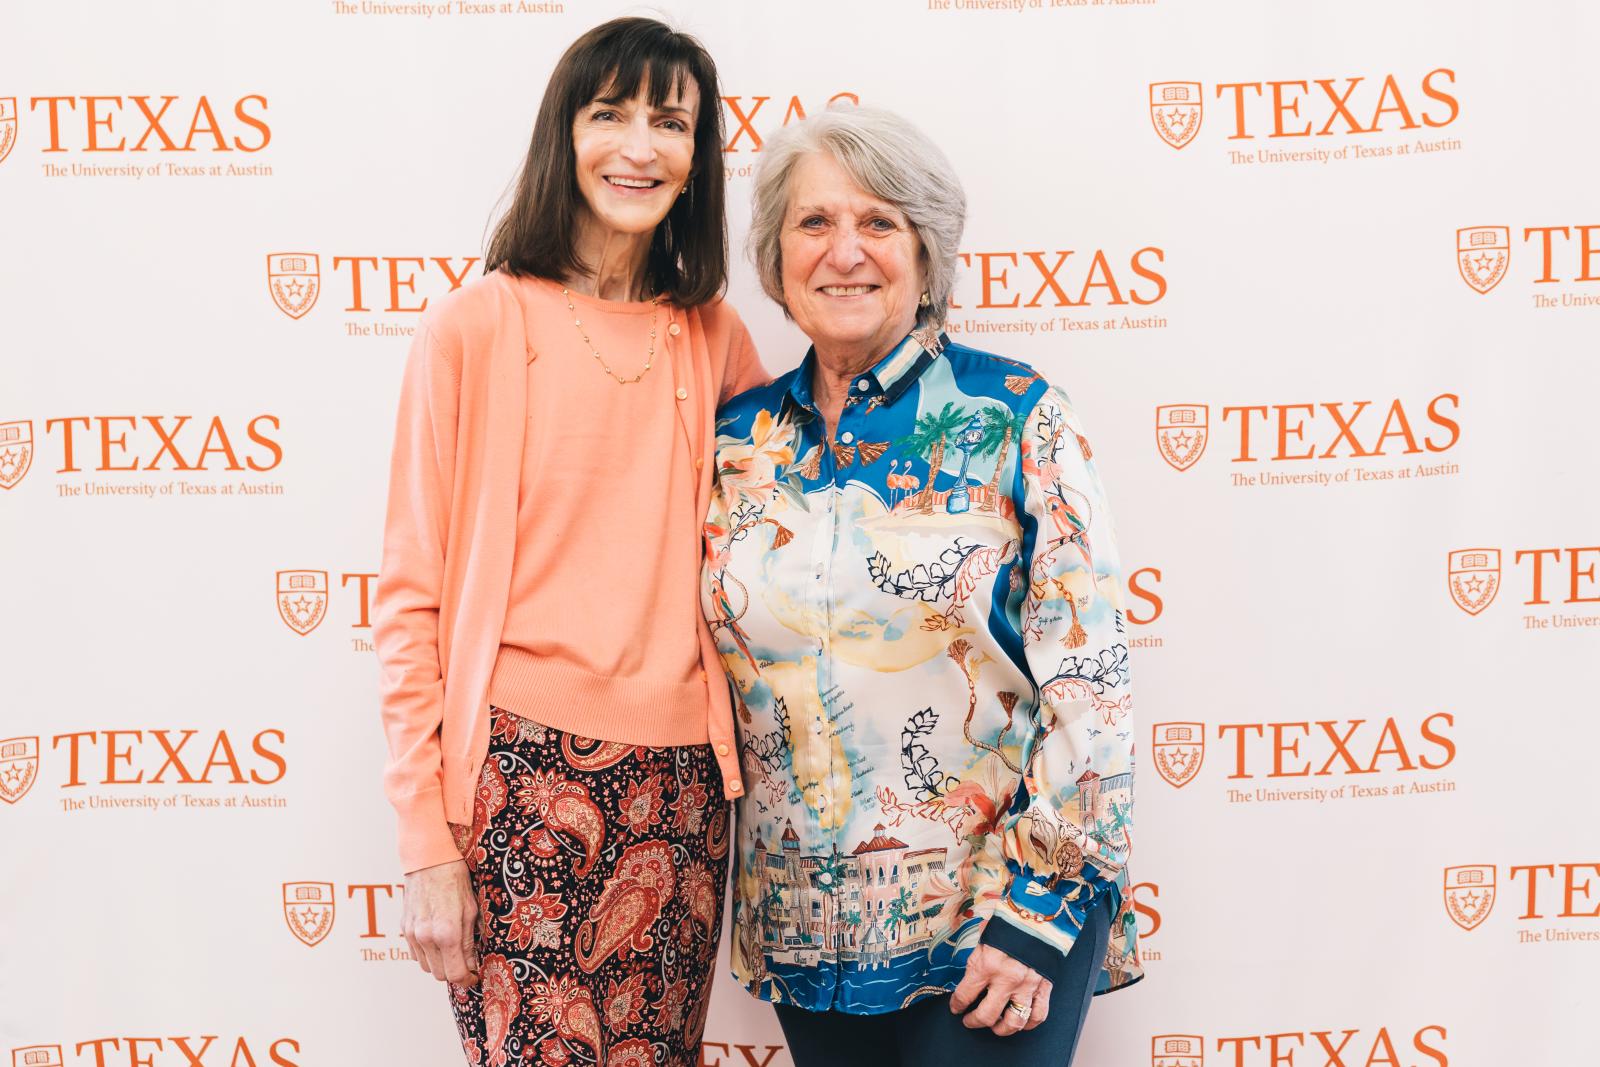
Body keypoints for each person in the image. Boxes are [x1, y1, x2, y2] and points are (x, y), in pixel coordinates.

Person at [700, 105, 1142, 1067]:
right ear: (775, 260)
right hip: (805, 934)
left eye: (879, 222)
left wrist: (1038, 911)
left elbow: (1092, 686)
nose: (844, 251)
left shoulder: (1019, 414)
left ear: (927, 252)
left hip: (994, 924)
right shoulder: (734, 442)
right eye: (813, 223)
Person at [372, 18, 767, 1067]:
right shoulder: (475, 326)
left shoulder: (717, 337)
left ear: (696, 160)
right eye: (611, 115)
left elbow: (765, 568)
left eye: (670, 122)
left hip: (686, 787)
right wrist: (424, 838)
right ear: (566, 135)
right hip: (516, 776)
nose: (639, 146)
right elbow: (410, 595)